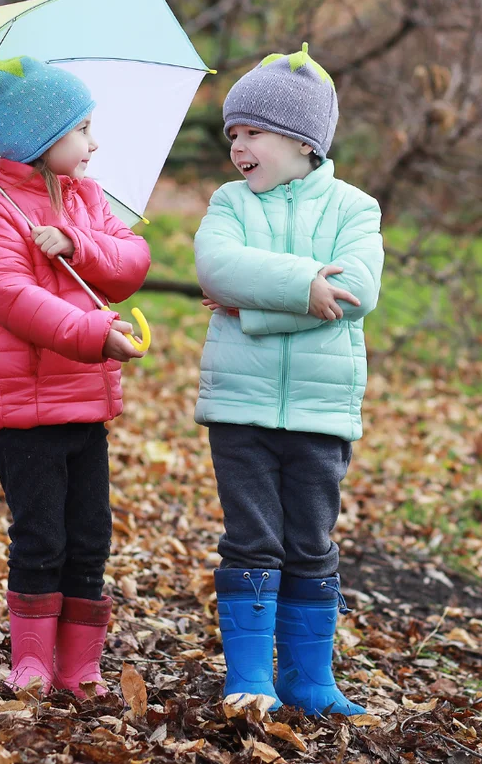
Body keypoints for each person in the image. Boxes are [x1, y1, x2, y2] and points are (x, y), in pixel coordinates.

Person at [194, 44, 384, 715]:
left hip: (321, 410)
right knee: (251, 539)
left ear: (303, 139)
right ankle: (249, 677)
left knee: (310, 541)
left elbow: (356, 289)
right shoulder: (230, 203)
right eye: (232, 134)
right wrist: (305, 289)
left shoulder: (356, 210)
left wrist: (255, 311)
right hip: (239, 407)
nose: (237, 146)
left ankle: (309, 678)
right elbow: (217, 268)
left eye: (252, 132)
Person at [0, 55, 150, 696]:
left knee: (90, 535)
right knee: (40, 536)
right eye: (82, 129)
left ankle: (80, 665)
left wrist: (77, 243)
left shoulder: (86, 199)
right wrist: (95, 334)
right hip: (24, 409)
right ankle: (33, 662)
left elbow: (130, 262)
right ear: (43, 138)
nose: (94, 143)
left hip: (84, 405)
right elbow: (11, 296)